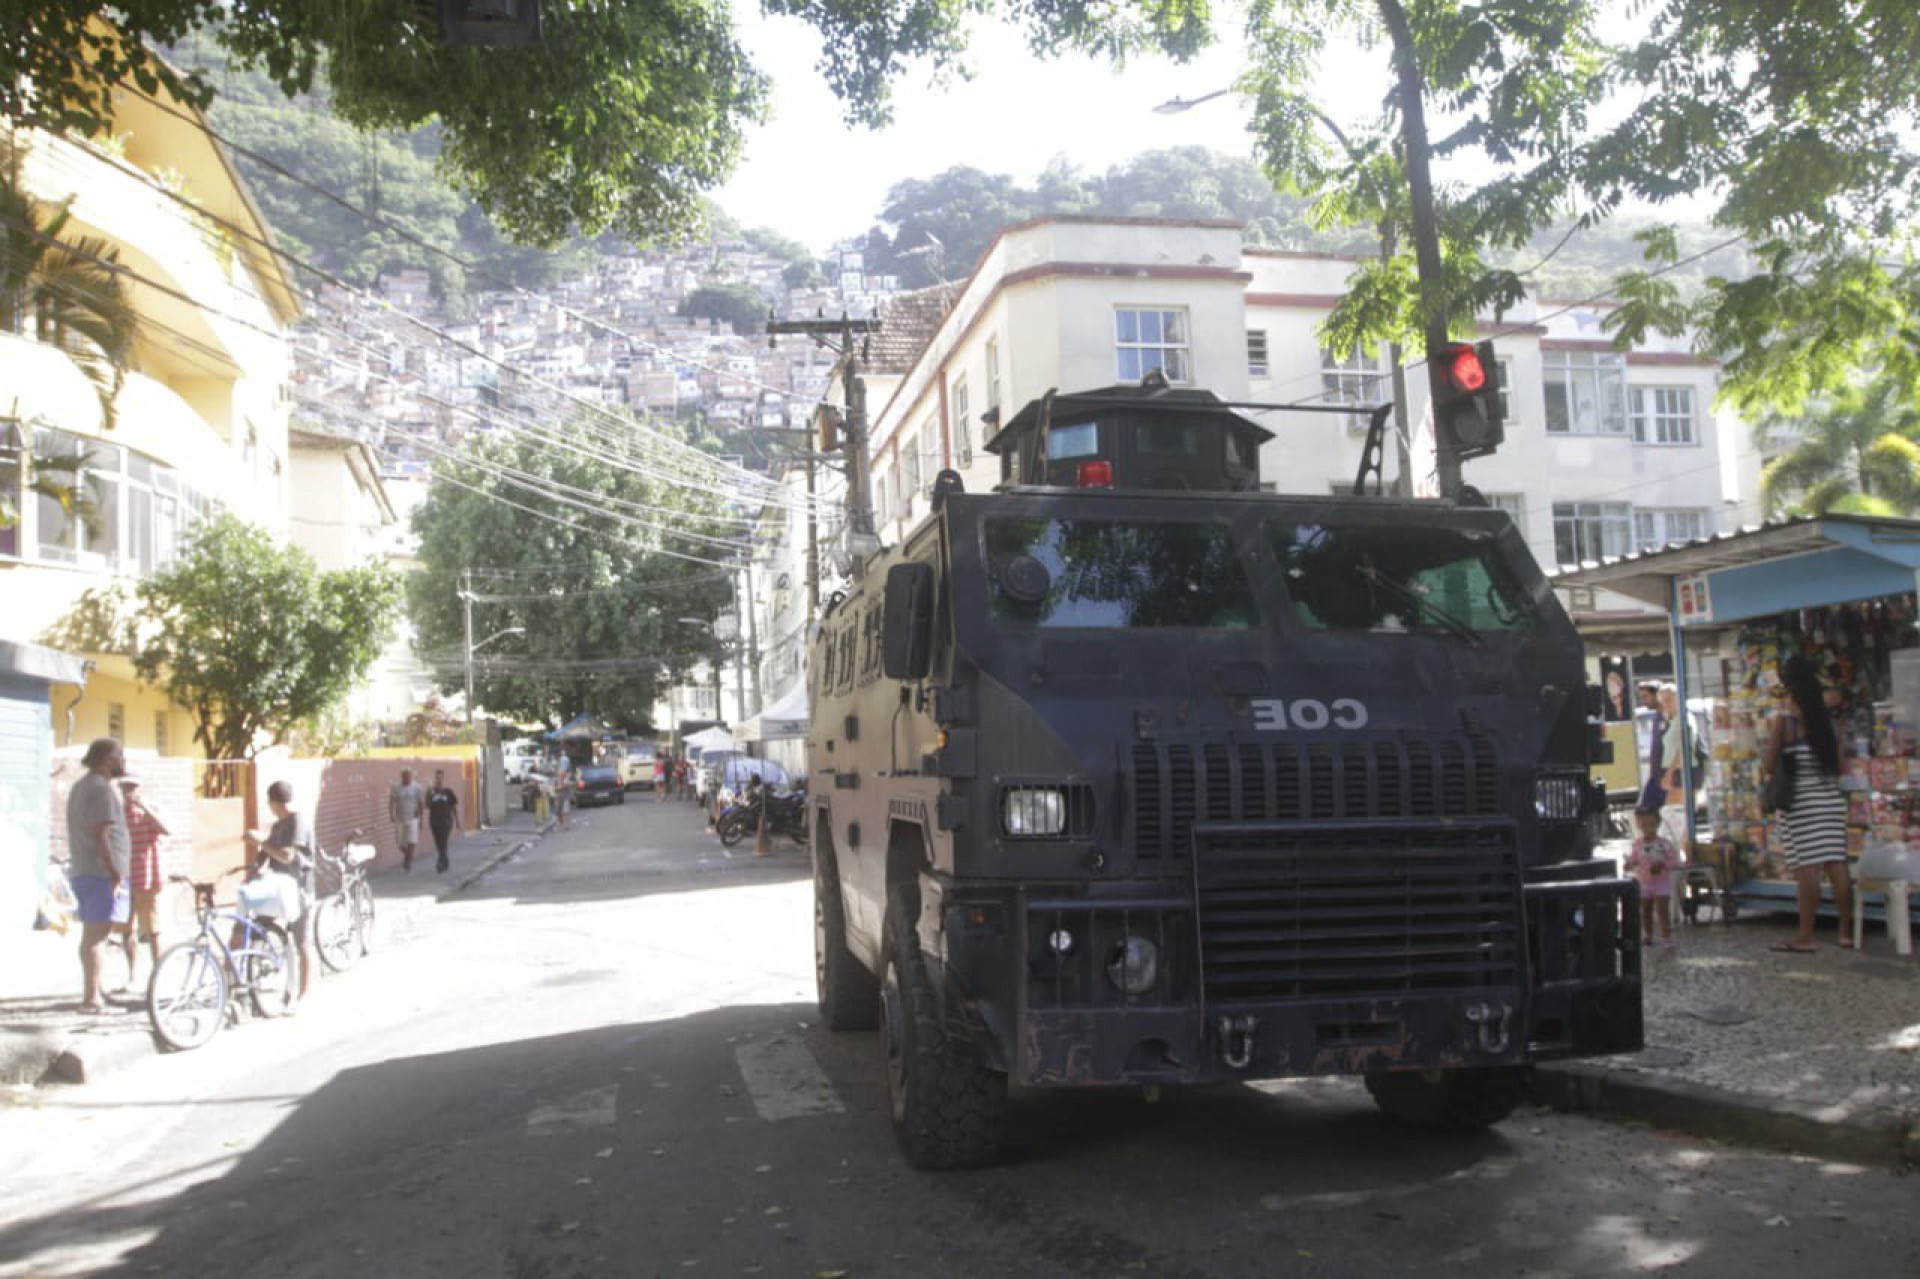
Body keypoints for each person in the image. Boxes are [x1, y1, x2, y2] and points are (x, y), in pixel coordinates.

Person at [1763, 654, 1855, 952]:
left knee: (1808, 869)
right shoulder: (1828, 721)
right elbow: (1840, 765)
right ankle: (1845, 932)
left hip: (1800, 804)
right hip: (1829, 800)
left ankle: (1806, 935)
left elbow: (1768, 765)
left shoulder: (1786, 722)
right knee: (1836, 864)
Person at [64, 738, 130, 1013]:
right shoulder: (100, 789)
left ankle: (95, 991)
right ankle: (92, 999)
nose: (122, 761)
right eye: (119, 756)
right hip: (100, 873)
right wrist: (114, 871)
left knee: (94, 935)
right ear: (106, 759)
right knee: (96, 936)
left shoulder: (81, 786)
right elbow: (101, 834)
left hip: (86, 870)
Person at [245, 780, 316, 999]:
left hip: (300, 888)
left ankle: (303, 993)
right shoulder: (278, 826)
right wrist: (254, 867)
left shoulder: (298, 822)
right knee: (259, 927)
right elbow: (268, 851)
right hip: (277, 888)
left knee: (301, 941)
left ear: (274, 802)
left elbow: (286, 856)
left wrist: (260, 843)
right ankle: (256, 982)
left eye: (270, 803)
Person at [114, 777, 169, 989]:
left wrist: (144, 806)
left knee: (153, 930)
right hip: (126, 878)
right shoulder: (117, 813)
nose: (128, 791)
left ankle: (158, 977)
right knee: (127, 930)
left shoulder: (150, 809)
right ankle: (133, 976)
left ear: (139, 787)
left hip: (148, 877)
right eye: (124, 787)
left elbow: (166, 829)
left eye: (132, 787)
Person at [1625, 808, 1677, 947]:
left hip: (1661, 883)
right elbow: (1635, 859)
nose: (1648, 828)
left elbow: (1673, 860)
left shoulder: (1664, 844)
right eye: (1644, 825)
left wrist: (1663, 865)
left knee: (1662, 910)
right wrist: (1629, 864)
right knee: (1645, 911)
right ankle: (1647, 934)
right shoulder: (1637, 844)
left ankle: (1666, 936)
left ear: (1658, 824)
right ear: (1639, 826)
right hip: (1644, 882)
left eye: (1651, 824)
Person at [1636, 681, 1667, 812]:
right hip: (1655, 777)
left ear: (1657, 695)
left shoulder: (1668, 717)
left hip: (1667, 776)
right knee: (1644, 811)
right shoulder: (1656, 717)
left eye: (1645, 696)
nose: (1643, 701)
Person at [389, 768, 426, 873]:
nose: (407, 778)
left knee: (412, 840)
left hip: (413, 817)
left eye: (409, 776)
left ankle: (408, 862)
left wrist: (421, 819)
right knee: (400, 842)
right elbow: (391, 801)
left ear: (411, 776)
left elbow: (420, 803)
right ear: (402, 776)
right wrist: (391, 814)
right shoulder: (396, 788)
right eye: (405, 776)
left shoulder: (416, 787)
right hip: (400, 817)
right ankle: (408, 856)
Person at [426, 769, 459, 874]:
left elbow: (453, 807)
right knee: (438, 843)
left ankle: (440, 863)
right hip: (434, 821)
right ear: (434, 779)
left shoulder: (448, 792)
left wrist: (457, 820)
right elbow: (427, 806)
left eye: (440, 778)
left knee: (443, 842)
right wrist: (428, 794)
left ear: (443, 778)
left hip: (446, 821)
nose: (438, 780)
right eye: (436, 778)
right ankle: (445, 860)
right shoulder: (431, 792)